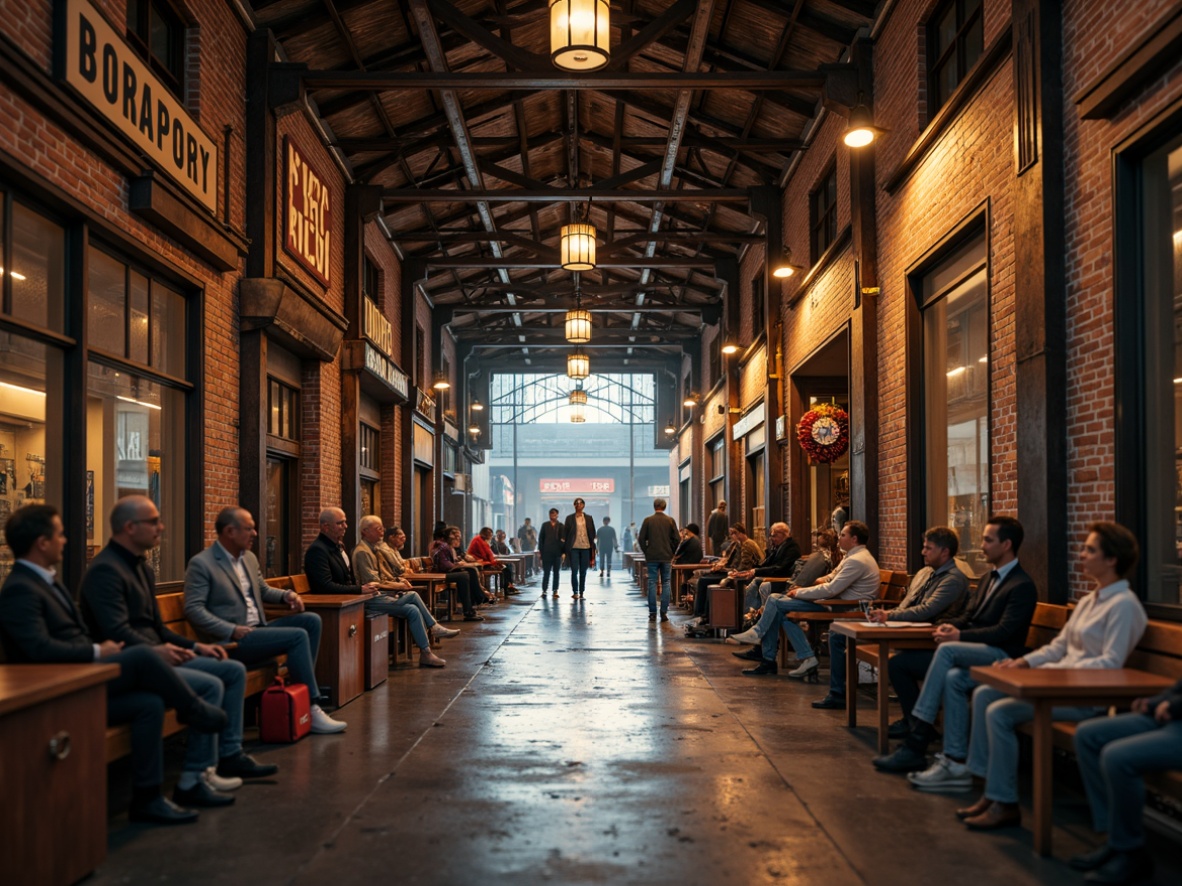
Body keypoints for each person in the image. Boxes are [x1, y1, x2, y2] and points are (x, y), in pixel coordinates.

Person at [0, 504, 228, 825]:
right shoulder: (21, 588)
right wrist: (95, 652)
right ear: (42, 542)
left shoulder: (45, 582)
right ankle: (194, 709)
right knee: (144, 655)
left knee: (148, 704)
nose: (65, 540)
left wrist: (96, 652)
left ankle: (147, 798)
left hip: (84, 679)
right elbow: (37, 649)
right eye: (60, 534)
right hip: (59, 692)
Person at [82, 496, 274, 810]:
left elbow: (156, 627)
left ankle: (228, 755)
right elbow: (115, 632)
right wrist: (158, 650)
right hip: (130, 665)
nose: (161, 527)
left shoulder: (141, 568)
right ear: (130, 527)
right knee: (210, 684)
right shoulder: (105, 570)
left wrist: (196, 646)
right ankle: (193, 779)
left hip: (156, 654)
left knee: (230, 669)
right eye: (154, 521)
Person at [954, 522, 1147, 831]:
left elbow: (1110, 663)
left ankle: (1003, 801)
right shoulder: (1089, 600)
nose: (1082, 554)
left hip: (1083, 697)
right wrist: (1024, 663)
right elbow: (1058, 647)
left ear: (1112, 560)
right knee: (984, 693)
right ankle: (990, 788)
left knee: (998, 712)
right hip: (1058, 687)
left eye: (1090, 549)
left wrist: (1052, 674)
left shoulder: (1124, 605)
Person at [872, 516, 1037, 774]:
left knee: (947, 650)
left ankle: (918, 739)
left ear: (1006, 545)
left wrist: (959, 637)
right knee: (919, 668)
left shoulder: (1022, 585)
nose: (981, 546)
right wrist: (951, 627)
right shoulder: (987, 579)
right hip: (972, 650)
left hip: (1002, 655)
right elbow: (969, 616)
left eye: (987, 540)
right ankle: (953, 757)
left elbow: (1004, 632)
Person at [183, 506, 347, 734]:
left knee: (311, 620)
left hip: (259, 631)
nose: (255, 534)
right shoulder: (203, 564)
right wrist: (230, 629)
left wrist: (287, 595)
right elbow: (193, 609)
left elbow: (262, 589)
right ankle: (311, 704)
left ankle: (299, 691)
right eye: (249, 528)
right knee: (298, 636)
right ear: (229, 531)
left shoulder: (248, 558)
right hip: (232, 641)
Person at [810, 526, 969, 711]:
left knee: (895, 663)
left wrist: (888, 616)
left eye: (928, 548)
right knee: (837, 633)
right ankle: (838, 694)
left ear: (945, 552)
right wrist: (886, 617)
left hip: (923, 635)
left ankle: (914, 718)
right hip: (903, 625)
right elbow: (908, 603)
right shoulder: (926, 572)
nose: (922, 552)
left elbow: (926, 611)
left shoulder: (953, 579)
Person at [728, 521, 879, 679]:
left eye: (843, 535)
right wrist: (817, 582)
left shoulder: (857, 560)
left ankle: (762, 644)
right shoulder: (851, 556)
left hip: (842, 607)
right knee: (781, 612)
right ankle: (802, 658)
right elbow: (831, 578)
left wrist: (800, 592)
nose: (839, 539)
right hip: (833, 602)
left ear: (854, 539)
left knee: (774, 601)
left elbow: (831, 589)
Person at [1071, 677, 1182, 884]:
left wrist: (1173, 705)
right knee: (1087, 735)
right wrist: (1155, 702)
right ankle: (1113, 838)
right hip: (1174, 718)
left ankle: (1130, 851)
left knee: (1117, 758)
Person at [348, 514, 456, 668]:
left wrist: (398, 581)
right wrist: (397, 586)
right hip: (371, 600)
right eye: (378, 529)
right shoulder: (363, 552)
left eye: (382, 529)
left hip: (380, 595)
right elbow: (372, 583)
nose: (382, 533)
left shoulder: (373, 549)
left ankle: (426, 652)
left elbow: (386, 575)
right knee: (412, 595)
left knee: (412, 609)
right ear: (365, 531)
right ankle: (433, 630)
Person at [686, 523, 763, 625]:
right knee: (705, 577)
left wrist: (730, 571)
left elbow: (744, 566)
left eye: (733, 533)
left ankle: (702, 615)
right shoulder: (738, 544)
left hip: (742, 576)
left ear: (739, 533)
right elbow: (729, 560)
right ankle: (703, 615)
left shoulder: (747, 544)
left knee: (704, 581)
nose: (731, 536)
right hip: (734, 572)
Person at [734, 522, 802, 615]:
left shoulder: (791, 548)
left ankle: (744, 614)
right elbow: (766, 564)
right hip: (775, 577)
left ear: (784, 534)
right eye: (771, 536)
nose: (772, 539)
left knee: (757, 581)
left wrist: (756, 572)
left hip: (783, 581)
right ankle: (744, 614)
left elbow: (781, 569)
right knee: (741, 580)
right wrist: (751, 571)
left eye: (774, 536)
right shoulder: (780, 546)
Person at [428, 525, 484, 620]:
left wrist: (458, 564)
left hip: (445, 571)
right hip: (440, 574)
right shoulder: (443, 546)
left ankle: (478, 599)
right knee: (464, 575)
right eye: (456, 537)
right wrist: (457, 565)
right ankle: (469, 610)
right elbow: (444, 565)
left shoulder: (448, 547)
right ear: (450, 537)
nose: (459, 540)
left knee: (471, 570)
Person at [637, 499, 680, 622]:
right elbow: (677, 538)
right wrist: (671, 551)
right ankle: (664, 612)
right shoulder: (670, 521)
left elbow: (641, 539)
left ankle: (652, 612)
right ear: (665, 506)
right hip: (666, 556)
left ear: (654, 506)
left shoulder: (648, 520)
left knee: (652, 582)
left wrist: (647, 551)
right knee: (666, 582)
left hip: (652, 557)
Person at [563, 498, 596, 600]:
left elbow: (593, 532)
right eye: (576, 503)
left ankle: (582, 591)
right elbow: (566, 534)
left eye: (580, 503)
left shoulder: (589, 518)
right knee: (574, 570)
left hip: (586, 547)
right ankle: (575, 591)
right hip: (574, 548)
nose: (578, 505)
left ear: (583, 505)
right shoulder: (569, 518)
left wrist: (593, 547)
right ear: (574, 505)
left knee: (583, 571)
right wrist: (564, 550)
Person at [469, 527, 518, 594]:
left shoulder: (482, 540)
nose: (491, 536)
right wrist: (494, 560)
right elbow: (484, 555)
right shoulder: (479, 540)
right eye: (490, 534)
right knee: (505, 568)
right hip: (481, 563)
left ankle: (509, 586)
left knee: (507, 567)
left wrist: (494, 558)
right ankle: (507, 588)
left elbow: (489, 554)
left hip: (484, 561)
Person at [538, 508, 565, 598]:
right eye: (551, 514)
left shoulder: (561, 526)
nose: (552, 515)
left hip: (557, 552)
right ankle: (544, 590)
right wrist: (540, 552)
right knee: (546, 572)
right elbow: (541, 539)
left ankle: (555, 590)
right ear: (549, 515)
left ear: (557, 515)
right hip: (547, 552)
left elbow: (564, 539)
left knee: (556, 572)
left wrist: (563, 552)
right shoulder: (545, 525)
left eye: (554, 514)